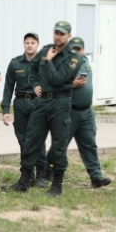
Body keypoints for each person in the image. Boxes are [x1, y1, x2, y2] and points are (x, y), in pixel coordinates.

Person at [36, 20, 82, 197]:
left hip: (61, 103)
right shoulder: (45, 49)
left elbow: (57, 80)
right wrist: (35, 84)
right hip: (43, 102)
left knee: (59, 144)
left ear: (69, 36)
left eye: (62, 33)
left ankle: (57, 184)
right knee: (32, 140)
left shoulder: (73, 57)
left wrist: (48, 61)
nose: (58, 36)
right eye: (56, 32)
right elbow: (34, 70)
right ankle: (26, 178)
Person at [0, 32, 44, 192]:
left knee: (38, 139)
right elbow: (8, 88)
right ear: (24, 44)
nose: (30, 45)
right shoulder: (15, 63)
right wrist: (5, 109)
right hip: (20, 103)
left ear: (37, 44)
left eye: (33, 42)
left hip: (38, 103)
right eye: (27, 42)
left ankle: (40, 175)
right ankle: (28, 174)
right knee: (23, 139)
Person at [66, 36, 112, 188]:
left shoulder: (86, 61)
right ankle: (47, 172)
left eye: (78, 49)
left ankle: (96, 177)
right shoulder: (64, 63)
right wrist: (72, 84)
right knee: (60, 145)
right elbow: (55, 84)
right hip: (70, 111)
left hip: (86, 112)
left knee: (89, 144)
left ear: (83, 50)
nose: (76, 52)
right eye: (73, 49)